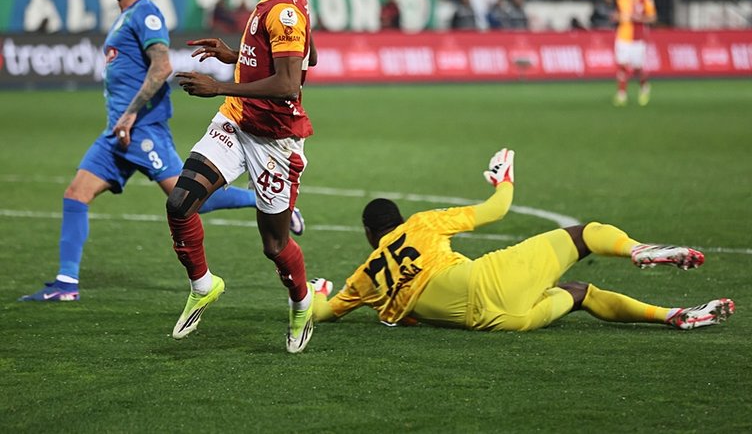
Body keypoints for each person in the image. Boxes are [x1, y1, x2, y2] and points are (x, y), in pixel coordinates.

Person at [18, 0, 303, 303]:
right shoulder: (124, 16)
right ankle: (66, 283)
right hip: (116, 133)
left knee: (189, 199)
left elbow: (162, 66)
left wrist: (131, 113)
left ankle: (264, 202)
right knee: (75, 194)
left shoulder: (146, 14)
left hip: (142, 129)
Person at [311, 148, 735, 332]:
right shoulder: (421, 224)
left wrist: (316, 291)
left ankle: (674, 315)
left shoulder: (365, 278)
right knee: (584, 235)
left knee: (580, 292)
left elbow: (323, 313)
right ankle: (636, 249)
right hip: (487, 281)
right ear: (399, 220)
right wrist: (504, 179)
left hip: (499, 323)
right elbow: (497, 209)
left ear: (369, 235)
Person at [166, 0, 318, 353]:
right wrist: (236, 55)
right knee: (180, 203)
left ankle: (302, 303)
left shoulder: (285, 12)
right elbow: (309, 57)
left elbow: (288, 84)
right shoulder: (279, 0)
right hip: (236, 121)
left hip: (275, 141)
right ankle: (203, 285)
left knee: (274, 245)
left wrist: (218, 85)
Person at [613, 0, 657, 107]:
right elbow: (615, 15)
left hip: (638, 39)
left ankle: (644, 86)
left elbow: (653, 18)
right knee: (622, 66)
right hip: (623, 36)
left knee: (637, 68)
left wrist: (639, 18)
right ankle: (622, 94)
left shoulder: (646, 0)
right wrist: (619, 17)